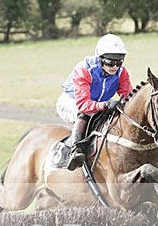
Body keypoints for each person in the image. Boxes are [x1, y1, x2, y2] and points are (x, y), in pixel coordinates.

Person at [56, 33, 133, 170]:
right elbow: (83, 104)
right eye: (110, 62)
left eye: (119, 62)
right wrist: (105, 104)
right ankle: (76, 150)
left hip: (97, 105)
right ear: (100, 58)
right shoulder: (84, 70)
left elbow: (129, 96)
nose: (115, 67)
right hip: (71, 102)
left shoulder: (121, 72)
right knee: (83, 114)